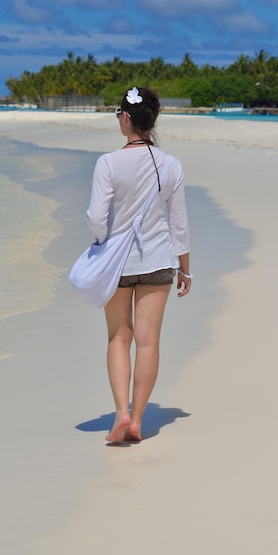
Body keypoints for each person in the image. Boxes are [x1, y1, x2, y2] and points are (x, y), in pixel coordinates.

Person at [86, 86, 192, 443]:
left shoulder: (108, 163)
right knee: (148, 342)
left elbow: (97, 219)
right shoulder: (170, 165)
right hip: (159, 261)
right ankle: (138, 421)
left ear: (126, 118)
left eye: (118, 113)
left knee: (119, 337)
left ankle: (121, 413)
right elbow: (179, 223)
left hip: (117, 263)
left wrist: (101, 243)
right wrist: (186, 268)